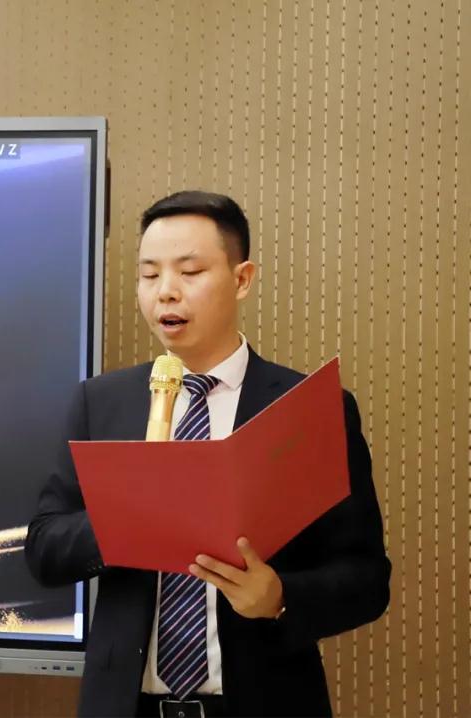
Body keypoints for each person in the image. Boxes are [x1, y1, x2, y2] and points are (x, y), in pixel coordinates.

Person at [25, 191, 390, 717]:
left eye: (190, 272)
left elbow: (367, 578)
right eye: (149, 275)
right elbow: (44, 547)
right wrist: (124, 515)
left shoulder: (307, 408)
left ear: (242, 279)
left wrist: (280, 596)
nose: (166, 292)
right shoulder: (101, 403)